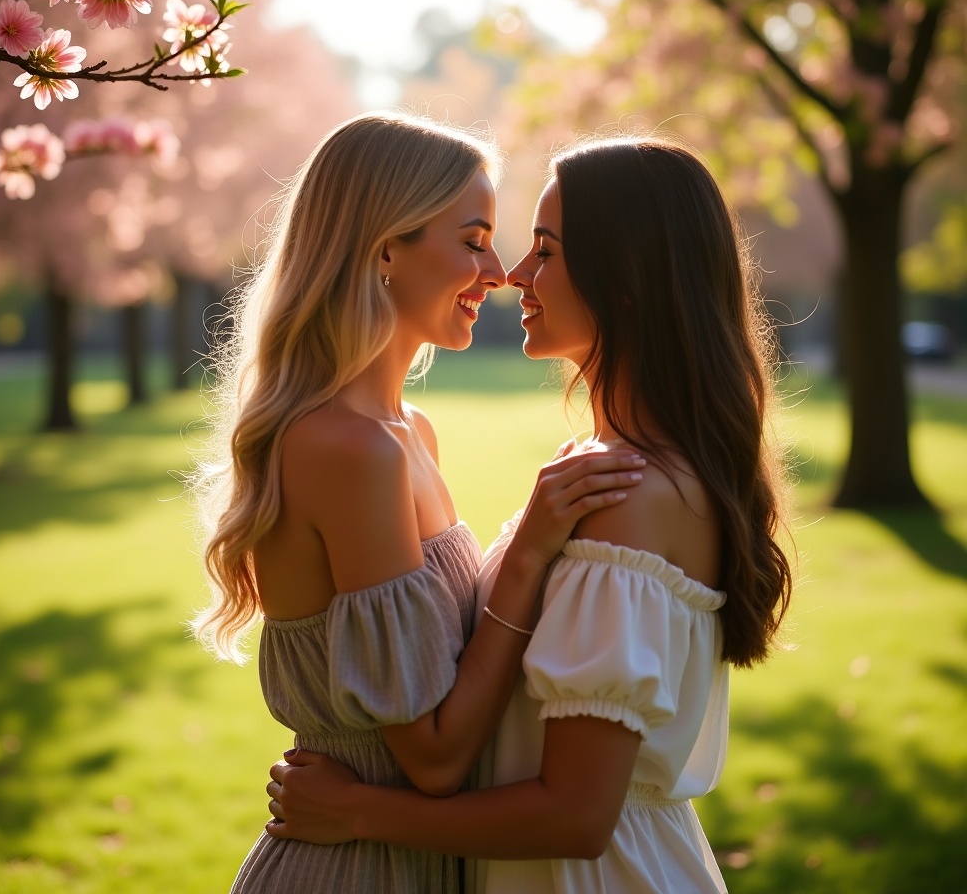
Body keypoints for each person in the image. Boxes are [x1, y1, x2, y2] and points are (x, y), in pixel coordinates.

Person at [264, 136, 794, 894]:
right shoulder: (593, 465)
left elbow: (575, 814)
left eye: (542, 248)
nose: (510, 273)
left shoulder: (629, 494)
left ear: (627, 280)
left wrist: (359, 812)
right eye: (479, 242)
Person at [188, 112, 646, 894]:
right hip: (357, 868)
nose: (498, 272)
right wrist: (531, 549)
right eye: (472, 240)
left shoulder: (407, 434)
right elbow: (433, 759)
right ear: (386, 249)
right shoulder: (348, 450)